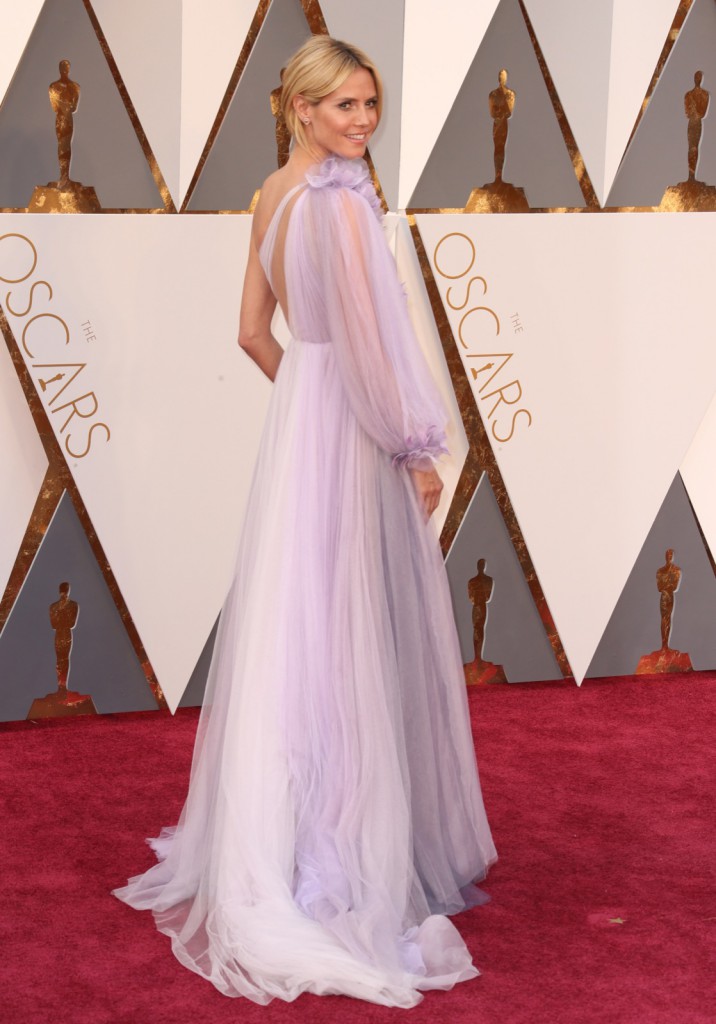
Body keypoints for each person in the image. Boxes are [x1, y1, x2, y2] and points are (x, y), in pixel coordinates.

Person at [114, 36, 496, 1007]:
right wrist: (410, 445)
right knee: (353, 639)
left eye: (369, 105)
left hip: (304, 434)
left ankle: (279, 839)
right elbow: (374, 347)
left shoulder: (270, 197)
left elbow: (251, 331)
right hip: (357, 434)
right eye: (342, 108)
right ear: (298, 109)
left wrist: (307, 410)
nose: (361, 123)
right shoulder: (340, 204)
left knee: (302, 635)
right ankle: (345, 851)